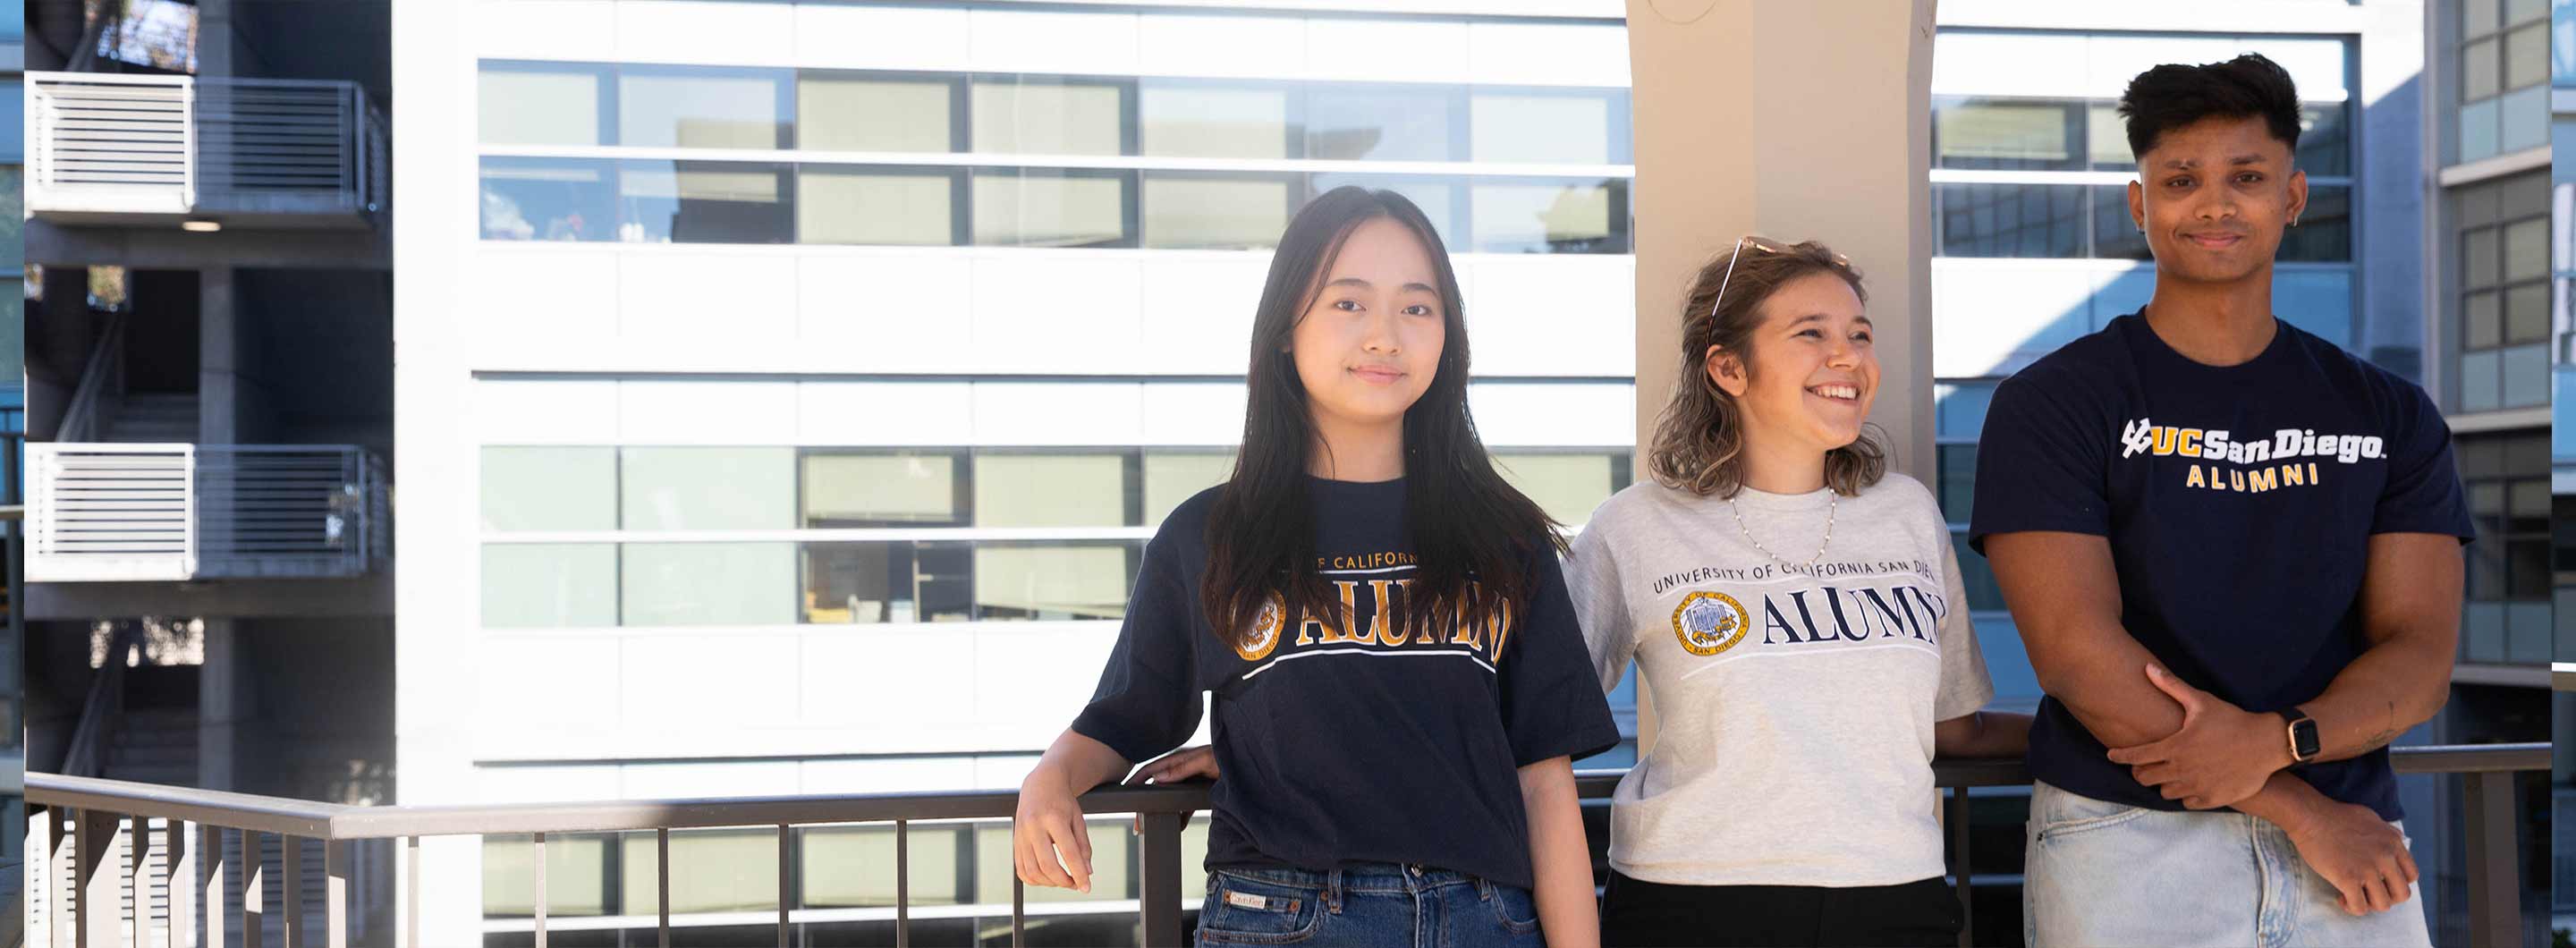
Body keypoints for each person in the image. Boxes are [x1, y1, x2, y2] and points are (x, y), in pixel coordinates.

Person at [1009, 185, 1622, 948]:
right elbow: (1124, 717)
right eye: (1348, 304)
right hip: (1287, 919)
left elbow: (1544, 783)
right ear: (1283, 331)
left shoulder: (1504, 535)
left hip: (1484, 920)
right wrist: (1049, 780)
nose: (1385, 336)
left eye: (1417, 308)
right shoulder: (1211, 534)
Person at [1970, 53, 2470, 947]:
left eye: (2246, 177)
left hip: (2354, 842)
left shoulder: (2388, 411)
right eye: (2181, 179)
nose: (2212, 203)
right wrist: (2292, 802)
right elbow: (2080, 656)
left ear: (2293, 196)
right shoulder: (2056, 401)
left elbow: (2422, 652)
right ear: (2140, 203)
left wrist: (2283, 743)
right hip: (2129, 838)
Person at [1566, 236, 2029, 947]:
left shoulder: (1906, 514)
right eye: (1811, 333)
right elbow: (1545, 724)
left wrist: (2101, 737)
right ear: (1728, 367)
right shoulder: (1635, 527)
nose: (1847, 355)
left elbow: (1952, 728)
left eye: (1860, 335)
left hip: (1896, 899)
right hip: (1692, 904)